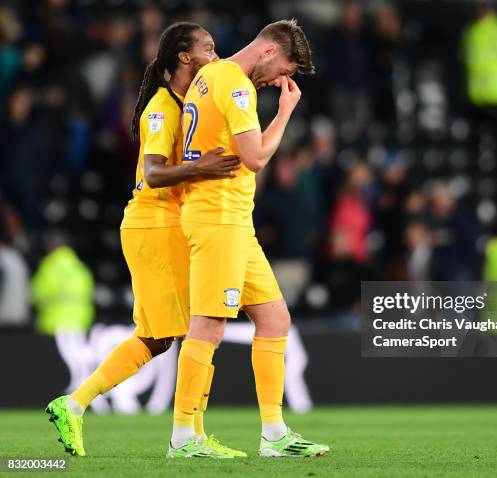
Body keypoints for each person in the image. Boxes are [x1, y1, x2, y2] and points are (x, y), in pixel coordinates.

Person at [46, 22, 242, 458]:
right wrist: (200, 169)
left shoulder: (189, 103)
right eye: (208, 49)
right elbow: (152, 172)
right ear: (184, 58)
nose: (216, 55)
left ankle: (74, 404)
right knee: (204, 324)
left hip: (165, 224)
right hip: (155, 223)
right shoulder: (163, 107)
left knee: (160, 337)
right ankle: (189, 437)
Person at [174, 19, 328, 458]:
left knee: (275, 319)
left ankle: (274, 434)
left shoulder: (210, 75)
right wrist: (284, 114)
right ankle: (184, 436)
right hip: (219, 217)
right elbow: (256, 157)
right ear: (267, 51)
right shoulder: (238, 87)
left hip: (234, 220)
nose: (283, 80)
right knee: (208, 324)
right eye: (286, 69)